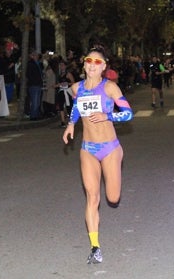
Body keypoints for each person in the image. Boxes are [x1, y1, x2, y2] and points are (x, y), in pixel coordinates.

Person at [62, 46, 133, 264]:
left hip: (110, 148)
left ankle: (117, 166)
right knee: (92, 197)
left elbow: (128, 114)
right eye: (88, 61)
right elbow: (76, 106)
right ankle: (95, 247)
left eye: (97, 62)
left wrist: (107, 115)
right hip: (88, 149)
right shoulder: (76, 88)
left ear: (103, 67)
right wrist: (71, 124)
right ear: (84, 64)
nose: (92, 65)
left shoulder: (110, 87)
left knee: (112, 198)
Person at [55, 60, 75, 127]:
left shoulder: (68, 74)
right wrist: (57, 85)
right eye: (60, 65)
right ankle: (63, 121)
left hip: (68, 91)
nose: (61, 67)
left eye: (63, 65)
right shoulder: (60, 75)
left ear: (65, 66)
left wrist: (67, 83)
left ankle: (70, 121)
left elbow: (73, 83)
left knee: (69, 106)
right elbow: (59, 84)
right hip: (61, 91)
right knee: (61, 106)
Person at [26, 50, 43, 120]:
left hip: (38, 84)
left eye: (37, 55)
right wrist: (34, 81)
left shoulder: (38, 63)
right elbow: (29, 74)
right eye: (35, 55)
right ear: (32, 56)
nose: (37, 56)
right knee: (35, 101)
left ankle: (36, 115)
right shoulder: (30, 64)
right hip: (34, 85)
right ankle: (33, 116)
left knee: (37, 101)